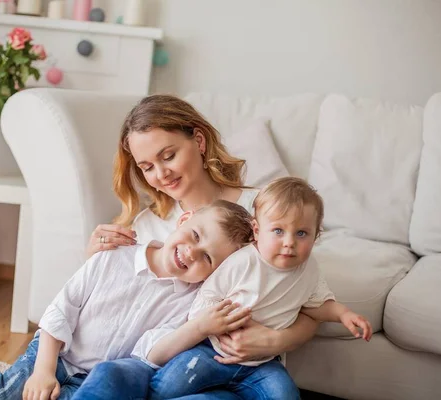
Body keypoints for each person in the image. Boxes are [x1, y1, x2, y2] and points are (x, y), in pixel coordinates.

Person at [0, 200, 254, 400]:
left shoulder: (190, 302)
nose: (191, 253)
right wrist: (43, 372)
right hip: (55, 354)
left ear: (215, 274)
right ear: (184, 219)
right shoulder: (114, 256)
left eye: (208, 258)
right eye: (193, 235)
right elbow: (60, 311)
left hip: (91, 382)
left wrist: (197, 327)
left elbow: (149, 355)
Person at [85, 94, 320, 370]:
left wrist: (276, 341)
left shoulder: (261, 210)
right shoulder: (147, 226)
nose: (161, 174)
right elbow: (113, 304)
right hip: (177, 366)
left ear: (199, 141)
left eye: (168, 156)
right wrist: (93, 258)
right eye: (147, 167)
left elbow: (309, 304)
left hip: (249, 366)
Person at [146, 177, 373, 399]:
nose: (289, 242)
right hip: (213, 351)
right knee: (168, 386)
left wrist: (344, 315)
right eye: (278, 231)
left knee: (284, 394)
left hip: (261, 364)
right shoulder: (242, 262)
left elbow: (316, 305)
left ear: (316, 237)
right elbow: (208, 297)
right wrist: (218, 323)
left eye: (301, 233)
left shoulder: (309, 270)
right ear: (256, 231)